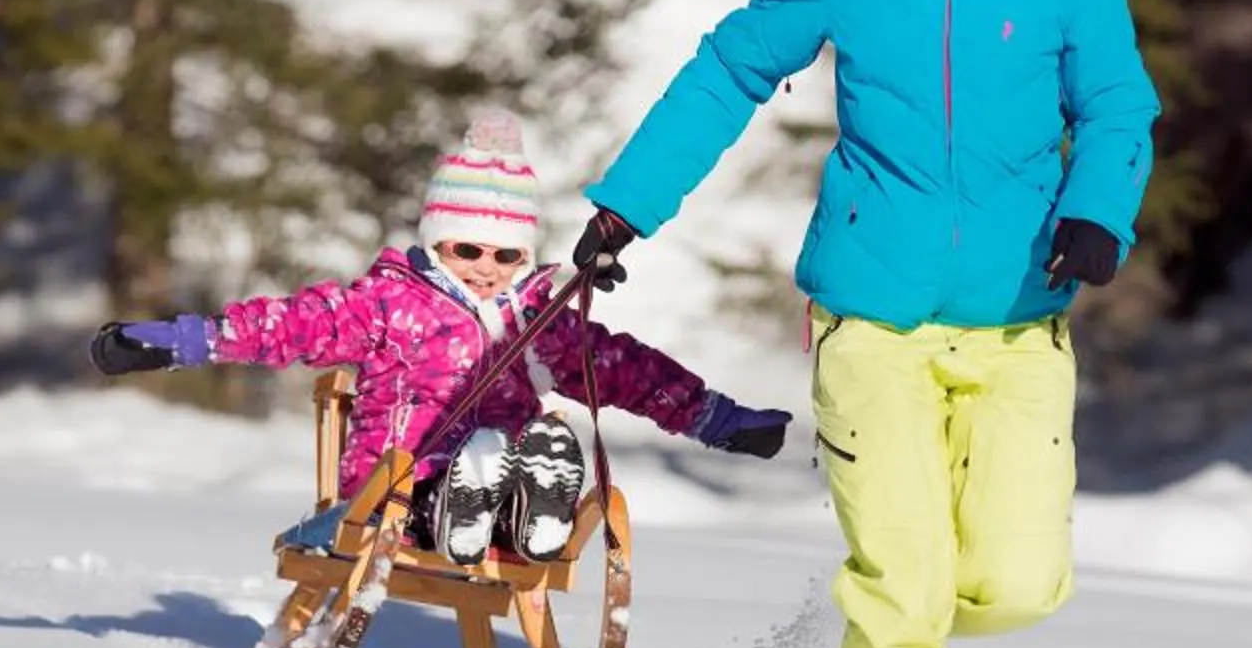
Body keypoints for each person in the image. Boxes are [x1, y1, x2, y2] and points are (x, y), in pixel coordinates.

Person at [573, 0, 1158, 648]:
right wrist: (627, 202)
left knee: (1018, 582)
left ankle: (891, 629)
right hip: (868, 314)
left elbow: (1118, 106)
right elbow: (732, 68)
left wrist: (1096, 212)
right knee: (904, 575)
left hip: (1017, 314)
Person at [90, 108, 790, 563]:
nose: (486, 269)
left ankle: (530, 512)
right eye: (466, 250)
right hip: (393, 496)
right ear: (435, 243)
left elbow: (626, 372)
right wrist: (178, 341)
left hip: (499, 490)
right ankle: (473, 497)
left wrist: (718, 419)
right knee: (453, 472)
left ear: (525, 253)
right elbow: (291, 327)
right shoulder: (391, 305)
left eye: (504, 254)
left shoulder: (540, 319)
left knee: (521, 455)